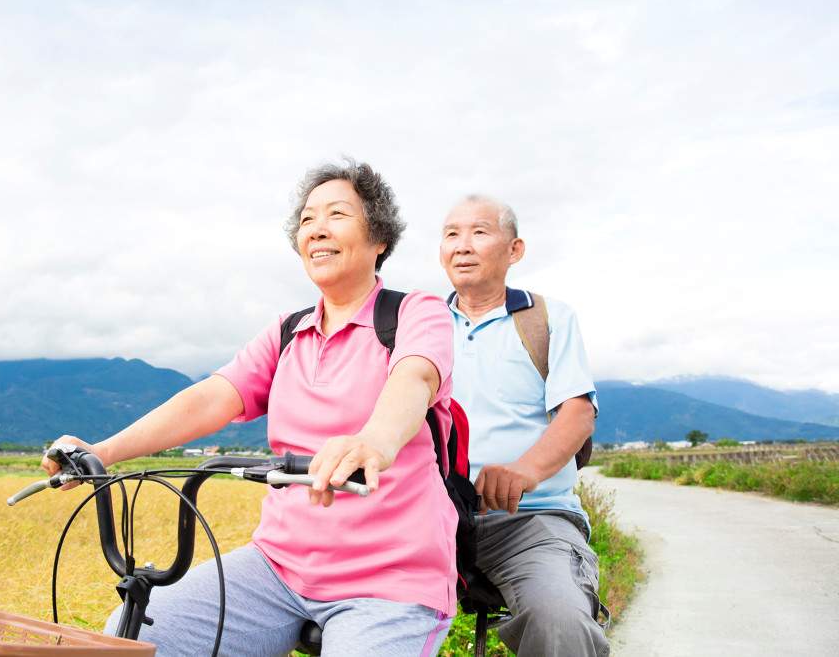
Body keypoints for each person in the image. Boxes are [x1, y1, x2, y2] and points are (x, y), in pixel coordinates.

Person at [44, 160, 458, 656]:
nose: (318, 229)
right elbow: (210, 398)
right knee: (138, 634)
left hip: (390, 579)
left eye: (338, 214)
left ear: (380, 238)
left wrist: (374, 440)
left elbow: (414, 378)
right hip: (278, 567)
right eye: (307, 220)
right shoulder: (287, 331)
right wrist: (103, 452)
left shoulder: (415, 312)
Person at [439, 195, 608, 656]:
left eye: (479, 232)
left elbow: (578, 412)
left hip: (529, 520)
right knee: (341, 605)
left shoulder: (548, 318)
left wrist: (524, 471)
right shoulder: (421, 325)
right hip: (429, 518)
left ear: (514, 250)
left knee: (559, 621)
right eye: (451, 234)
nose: (462, 246)